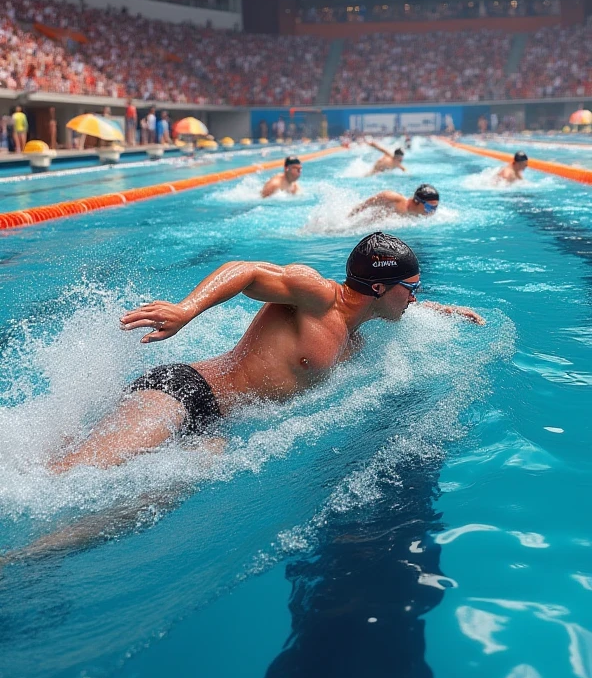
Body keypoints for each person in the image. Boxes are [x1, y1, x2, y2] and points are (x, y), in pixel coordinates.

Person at [49, 233, 484, 475]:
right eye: (411, 289)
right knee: (72, 476)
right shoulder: (318, 297)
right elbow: (248, 271)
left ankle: (31, 561)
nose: (416, 298)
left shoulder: (360, 330)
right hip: (185, 391)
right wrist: (188, 309)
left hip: (216, 424)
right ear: (378, 288)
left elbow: (407, 309)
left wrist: (444, 310)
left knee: (128, 508)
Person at [350, 184, 440, 219]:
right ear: (417, 201)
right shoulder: (393, 198)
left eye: (436, 206)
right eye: (430, 206)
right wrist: (348, 218)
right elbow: (364, 205)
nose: (433, 210)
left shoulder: (420, 215)